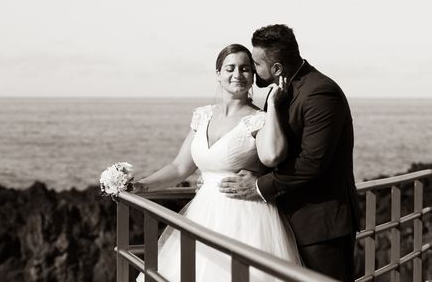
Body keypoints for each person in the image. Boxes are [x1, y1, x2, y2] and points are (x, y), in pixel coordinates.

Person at [132, 43, 301, 282]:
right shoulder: (203, 116)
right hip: (203, 215)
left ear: (253, 76)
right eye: (230, 68)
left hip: (246, 218)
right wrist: (141, 186)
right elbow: (180, 167)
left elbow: (271, 156)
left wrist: (273, 106)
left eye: (245, 69)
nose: (237, 74)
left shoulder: (259, 120)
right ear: (218, 74)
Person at [219, 24, 360, 282]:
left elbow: (312, 162)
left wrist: (258, 186)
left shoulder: (320, 92)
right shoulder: (280, 92)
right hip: (287, 221)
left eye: (255, 63)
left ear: (276, 69)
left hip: (320, 226)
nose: (252, 69)